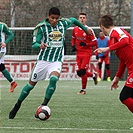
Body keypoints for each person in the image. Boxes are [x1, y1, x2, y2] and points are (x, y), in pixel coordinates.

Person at [9, 7, 92, 119]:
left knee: (53, 79)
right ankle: (17, 105)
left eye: (56, 18)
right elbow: (34, 44)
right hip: (43, 60)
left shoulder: (63, 24)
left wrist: (85, 29)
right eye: (52, 18)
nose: (54, 20)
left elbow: (73, 20)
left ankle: (43, 105)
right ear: (48, 16)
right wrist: (40, 45)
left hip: (56, 60)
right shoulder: (41, 27)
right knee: (30, 86)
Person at [94, 15, 133, 129]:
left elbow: (125, 40)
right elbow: (123, 61)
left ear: (102, 27)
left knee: (124, 96)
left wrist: (107, 49)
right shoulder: (112, 39)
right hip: (131, 69)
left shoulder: (116, 31)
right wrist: (117, 77)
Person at [71, 13, 98, 95]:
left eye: (84, 18)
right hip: (78, 53)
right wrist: (73, 46)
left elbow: (95, 42)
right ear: (78, 19)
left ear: (86, 19)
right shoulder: (75, 29)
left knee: (83, 71)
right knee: (79, 72)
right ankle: (93, 75)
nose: (82, 19)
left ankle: (83, 90)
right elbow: (73, 38)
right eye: (80, 18)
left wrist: (86, 44)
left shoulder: (89, 30)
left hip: (86, 53)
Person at [0, 22, 17, 92]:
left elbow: (11, 34)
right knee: (1, 66)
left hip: (1, 50)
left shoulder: (2, 26)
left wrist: (5, 42)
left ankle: (13, 82)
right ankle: (13, 82)